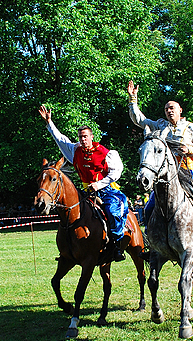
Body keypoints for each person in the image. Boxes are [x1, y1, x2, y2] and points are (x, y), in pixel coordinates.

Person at [127, 80, 193, 259]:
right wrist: (133, 99)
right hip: (166, 175)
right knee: (150, 207)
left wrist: (191, 149)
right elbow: (140, 120)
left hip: (188, 172)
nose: (169, 110)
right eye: (166, 108)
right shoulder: (160, 125)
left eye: (172, 107)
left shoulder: (192, 128)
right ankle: (152, 243)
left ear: (180, 110)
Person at [38, 104, 129, 261]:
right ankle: (69, 250)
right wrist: (49, 123)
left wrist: (99, 184)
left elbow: (117, 172)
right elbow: (60, 139)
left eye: (85, 136)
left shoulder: (106, 153)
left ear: (92, 137)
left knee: (113, 212)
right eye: (80, 137)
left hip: (106, 189)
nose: (82, 139)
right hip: (86, 191)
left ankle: (116, 246)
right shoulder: (75, 150)